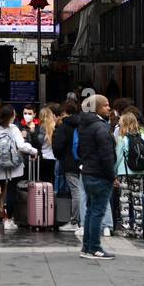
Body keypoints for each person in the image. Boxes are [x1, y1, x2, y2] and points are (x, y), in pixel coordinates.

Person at [75, 94, 116, 259]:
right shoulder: (101, 128)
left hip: (87, 172)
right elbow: (106, 155)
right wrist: (111, 175)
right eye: (106, 105)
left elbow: (79, 150)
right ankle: (95, 248)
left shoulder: (84, 126)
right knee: (98, 211)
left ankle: (86, 247)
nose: (109, 108)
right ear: (97, 107)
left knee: (91, 210)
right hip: (100, 174)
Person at [0, 107, 37, 231]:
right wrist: (33, 151)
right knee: (11, 191)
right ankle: (8, 220)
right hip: (14, 166)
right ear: (10, 117)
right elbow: (21, 146)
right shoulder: (14, 128)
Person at [53, 98, 86, 234]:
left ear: (65, 112)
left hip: (70, 163)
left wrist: (60, 156)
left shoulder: (64, 126)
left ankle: (75, 221)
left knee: (76, 191)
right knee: (82, 191)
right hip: (84, 163)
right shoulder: (83, 124)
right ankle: (81, 220)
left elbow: (58, 147)